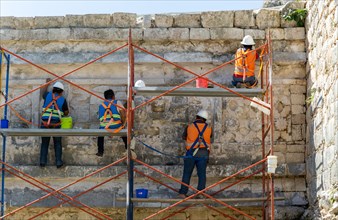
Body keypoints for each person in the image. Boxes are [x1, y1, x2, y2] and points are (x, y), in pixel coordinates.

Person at [178, 109, 212, 199]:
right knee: (202, 174)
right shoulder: (209, 128)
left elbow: (184, 138)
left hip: (191, 153)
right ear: (205, 119)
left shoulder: (189, 127)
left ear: (196, 117)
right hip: (204, 153)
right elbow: (210, 137)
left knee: (187, 173)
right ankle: (200, 193)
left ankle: (183, 193)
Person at [40, 80, 69, 168]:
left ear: (53, 89)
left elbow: (42, 93)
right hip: (56, 125)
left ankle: (42, 162)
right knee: (57, 143)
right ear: (61, 91)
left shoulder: (47, 95)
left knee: (44, 143)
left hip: (45, 124)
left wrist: (46, 83)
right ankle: (59, 162)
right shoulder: (63, 100)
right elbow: (66, 112)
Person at [96, 89, 127, 157]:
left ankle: (100, 151)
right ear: (113, 96)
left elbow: (100, 118)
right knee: (124, 133)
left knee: (100, 134)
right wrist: (123, 124)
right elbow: (123, 115)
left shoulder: (101, 105)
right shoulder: (117, 102)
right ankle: (128, 149)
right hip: (116, 126)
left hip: (104, 128)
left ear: (105, 98)